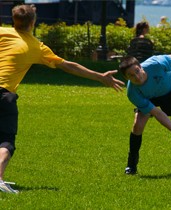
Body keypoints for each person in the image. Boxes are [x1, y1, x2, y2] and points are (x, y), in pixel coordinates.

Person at [0, 4, 124, 194]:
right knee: (6, 142)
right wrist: (100, 77)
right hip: (4, 95)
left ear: (13, 19)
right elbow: (69, 66)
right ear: (33, 22)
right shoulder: (35, 47)